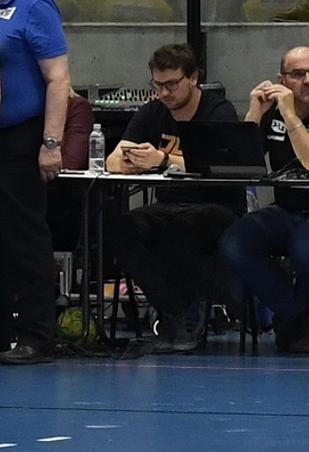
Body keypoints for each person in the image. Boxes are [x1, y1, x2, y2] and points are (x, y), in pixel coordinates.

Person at [218, 46, 309, 355]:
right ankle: (300, 313)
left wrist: (288, 115)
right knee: (236, 239)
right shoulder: (272, 113)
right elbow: (242, 163)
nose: (308, 80)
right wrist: (255, 115)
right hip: (288, 208)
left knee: (307, 240)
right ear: (282, 80)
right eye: (298, 75)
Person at [103, 42, 241, 355]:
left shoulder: (219, 111)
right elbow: (113, 159)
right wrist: (127, 161)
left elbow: (219, 166)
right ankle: (177, 309)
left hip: (216, 205)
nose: (164, 93)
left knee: (182, 227)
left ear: (193, 78)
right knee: (122, 229)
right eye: (158, 85)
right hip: (167, 204)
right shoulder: (152, 112)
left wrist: (163, 161)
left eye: (171, 85)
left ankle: (186, 313)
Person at [0, 0, 69, 366]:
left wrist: (50, 143)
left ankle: (38, 336)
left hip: (22, 135)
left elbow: (58, 78)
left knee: (24, 239)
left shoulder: (34, 4)